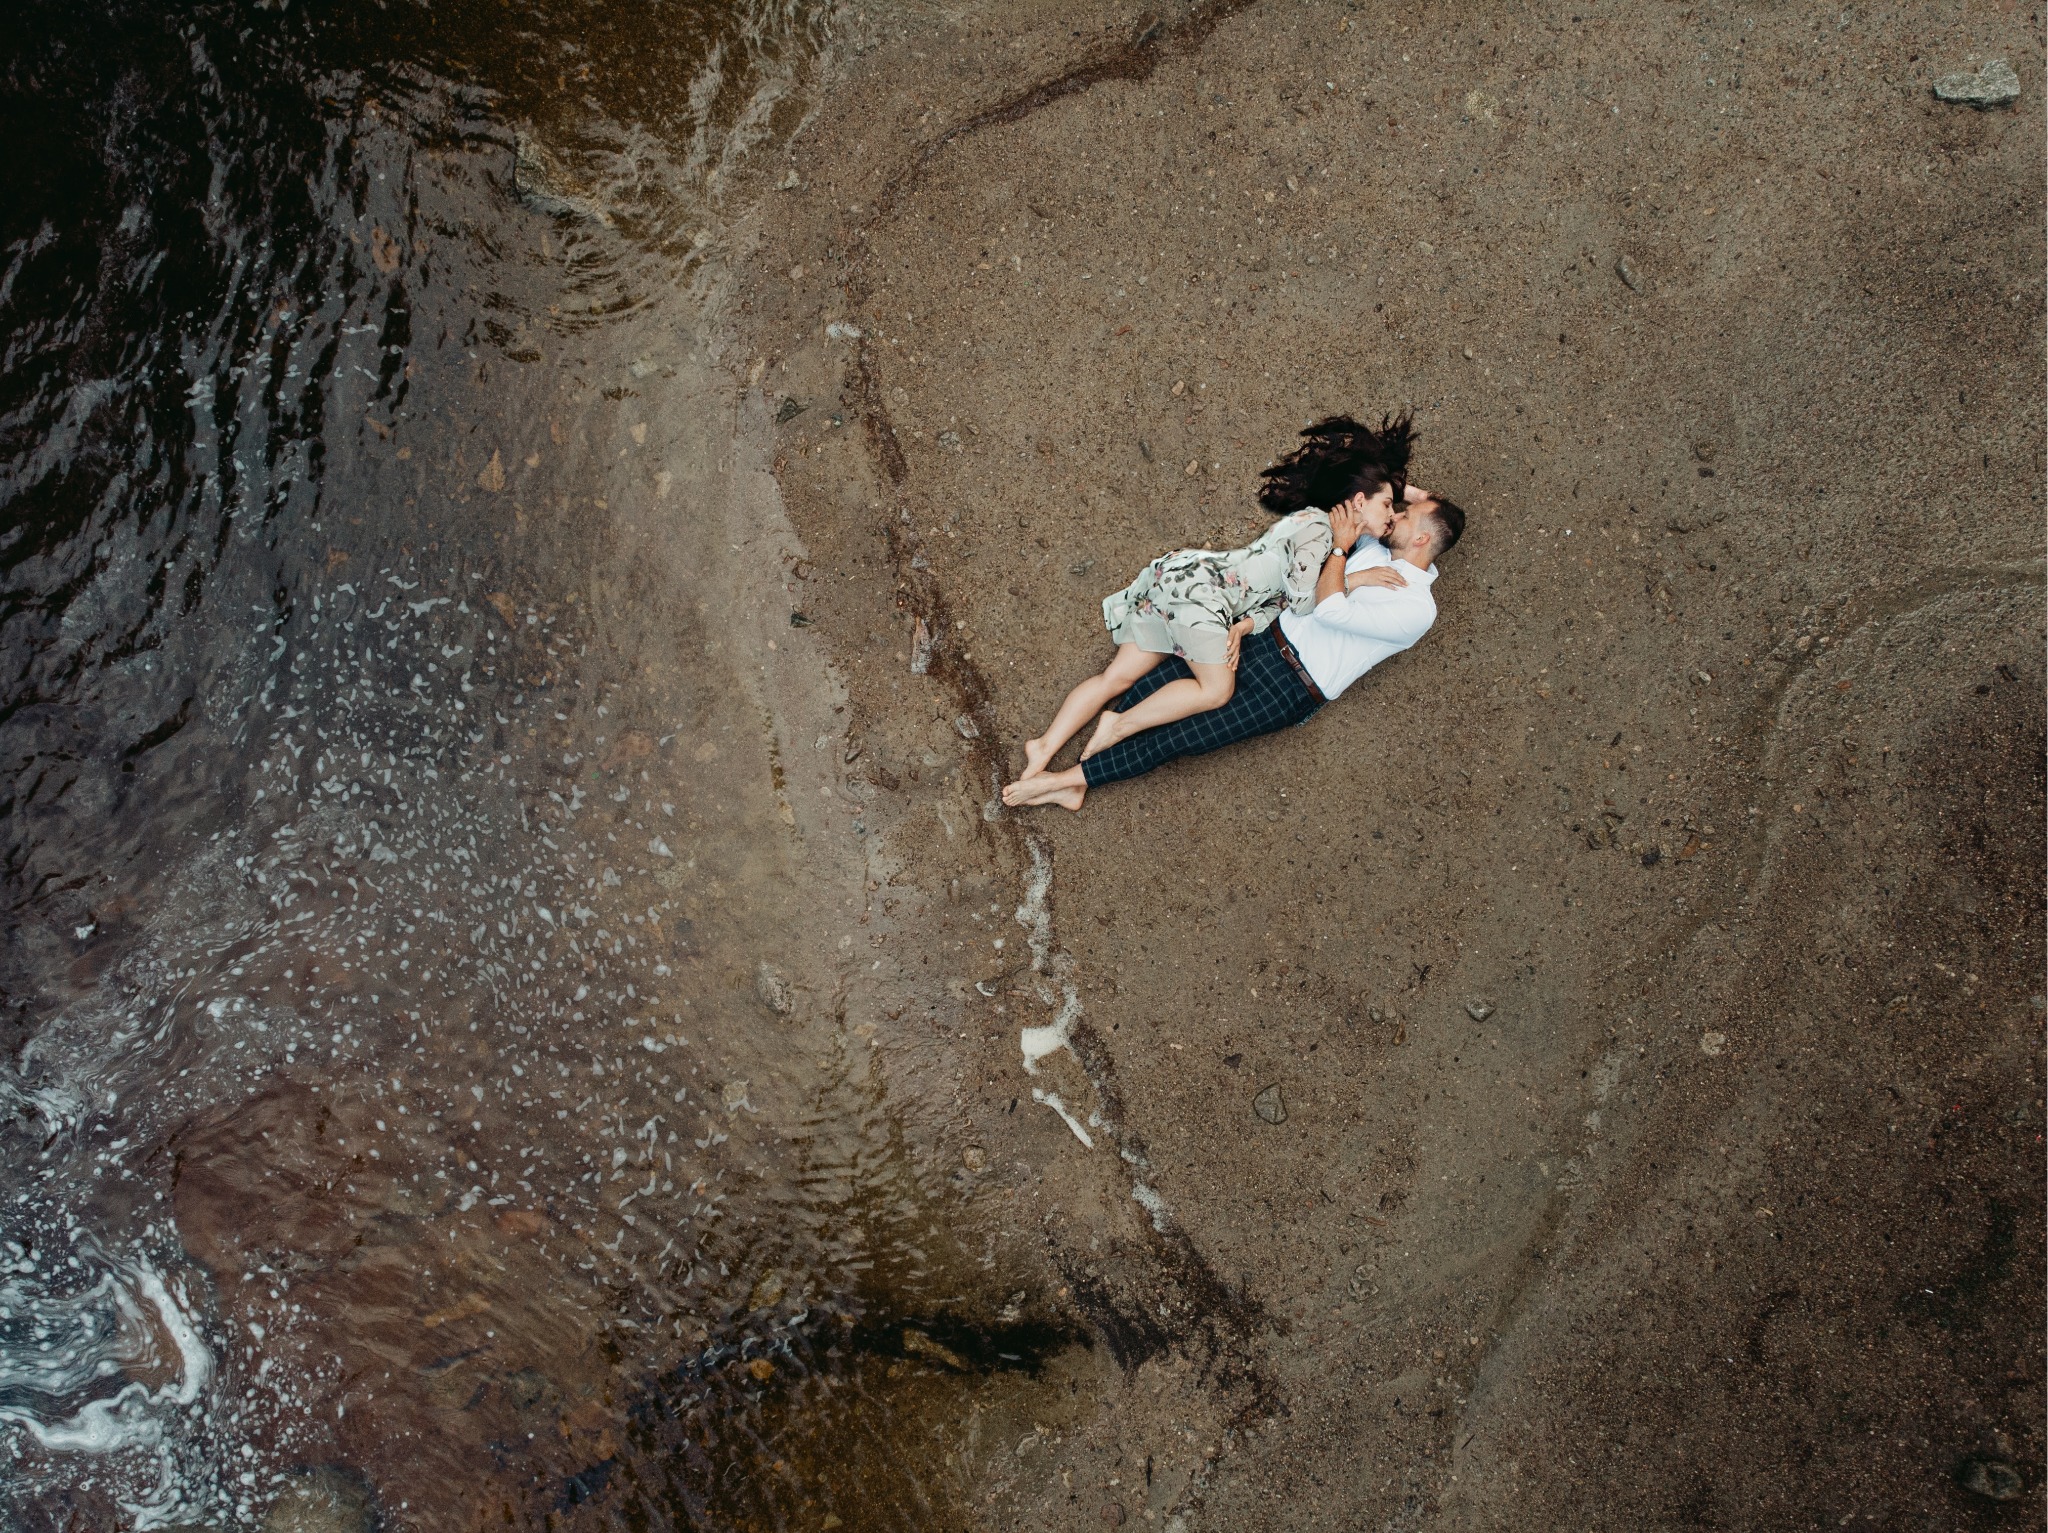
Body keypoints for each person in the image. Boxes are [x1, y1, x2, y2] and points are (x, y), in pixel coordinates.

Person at [1000, 488, 1465, 812]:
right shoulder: (1377, 548)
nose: (1397, 515)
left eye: (1406, 516)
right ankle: (1097, 740)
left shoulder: (1416, 608)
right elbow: (1380, 486)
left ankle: (1064, 783)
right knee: (1160, 684)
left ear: (1422, 540)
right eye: (1397, 508)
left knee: (1182, 737)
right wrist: (1414, 502)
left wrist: (1342, 553)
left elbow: (1329, 611)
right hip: (1264, 632)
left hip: (1291, 686)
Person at [1017, 414, 1416, 779]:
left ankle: (1044, 745)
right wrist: (1354, 574)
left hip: (1185, 578)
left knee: (1115, 677)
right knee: (1217, 690)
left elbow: (1276, 599)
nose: (1392, 515)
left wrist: (1245, 625)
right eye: (1386, 504)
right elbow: (1303, 604)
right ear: (1358, 501)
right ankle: (1117, 725)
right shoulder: (1321, 535)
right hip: (1203, 598)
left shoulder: (1311, 518)